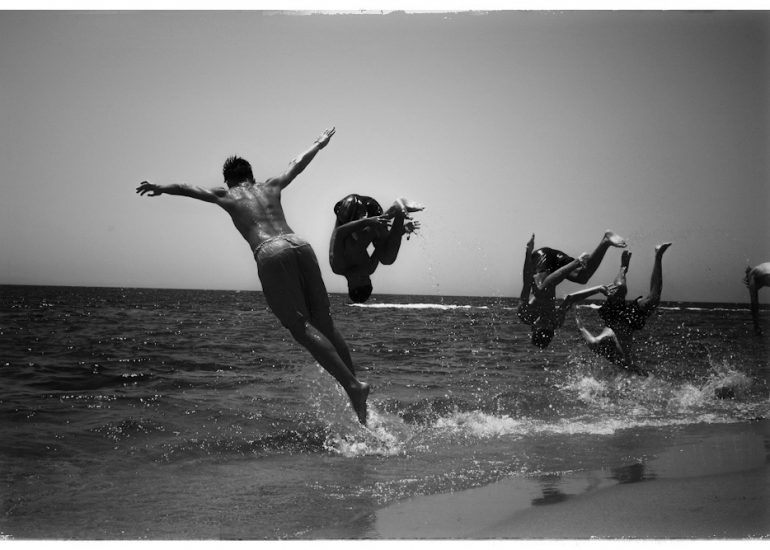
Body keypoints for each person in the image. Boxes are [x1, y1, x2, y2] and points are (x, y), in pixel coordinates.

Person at [135, 128, 370, 425]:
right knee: (325, 322)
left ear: (229, 180)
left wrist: (161, 187)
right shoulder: (270, 185)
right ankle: (357, 394)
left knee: (300, 327)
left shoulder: (226, 194)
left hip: (271, 251)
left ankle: (353, 387)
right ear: (251, 175)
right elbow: (296, 164)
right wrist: (319, 144)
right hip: (299, 244)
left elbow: (188, 188)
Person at [574, 243, 672, 375]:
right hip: (630, 322)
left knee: (620, 288)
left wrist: (572, 310)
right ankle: (658, 255)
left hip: (612, 316)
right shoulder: (622, 360)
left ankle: (623, 268)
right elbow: (631, 368)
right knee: (653, 301)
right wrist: (642, 374)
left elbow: (581, 328)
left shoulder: (596, 344)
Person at [518, 231, 627, 348]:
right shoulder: (555, 320)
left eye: (542, 322)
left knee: (540, 293)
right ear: (552, 328)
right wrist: (598, 289)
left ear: (534, 327)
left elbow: (527, 282)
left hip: (541, 258)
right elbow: (570, 299)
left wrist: (528, 253)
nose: (546, 319)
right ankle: (606, 241)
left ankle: (578, 261)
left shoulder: (525, 313)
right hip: (557, 267)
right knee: (583, 277)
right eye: (548, 323)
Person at [329, 193, 423, 303]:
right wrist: (401, 230)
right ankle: (399, 210)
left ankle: (391, 212)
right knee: (387, 259)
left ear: (350, 285)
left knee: (354, 248)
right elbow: (383, 246)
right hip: (373, 211)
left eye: (361, 278)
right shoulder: (368, 269)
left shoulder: (338, 266)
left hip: (351, 206)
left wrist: (369, 221)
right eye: (366, 277)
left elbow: (339, 232)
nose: (363, 273)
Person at [744, 262, 770, 335]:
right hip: (767, 274)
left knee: (754, 303)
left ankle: (756, 328)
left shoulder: (751, 273)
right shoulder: (759, 269)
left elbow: (754, 301)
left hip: (767, 275)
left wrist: (756, 326)